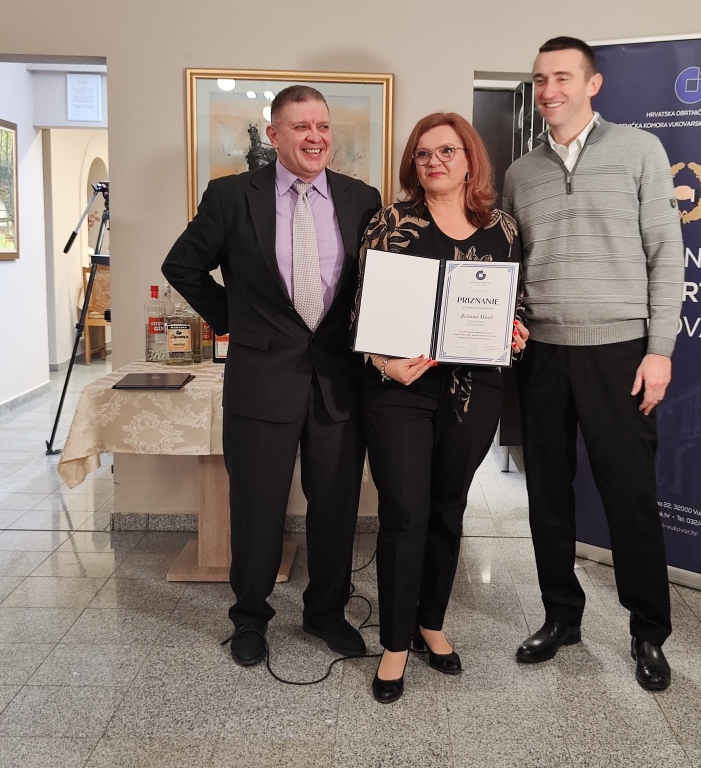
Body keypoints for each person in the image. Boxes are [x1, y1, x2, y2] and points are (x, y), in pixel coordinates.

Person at [162, 85, 381, 667]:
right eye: (301, 127)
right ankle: (250, 617)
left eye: (323, 126)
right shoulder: (232, 196)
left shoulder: (363, 199)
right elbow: (181, 264)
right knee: (257, 505)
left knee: (335, 504)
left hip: (338, 381)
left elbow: (376, 284)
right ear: (275, 135)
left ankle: (326, 612)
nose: (315, 137)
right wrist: (232, 319)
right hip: (261, 380)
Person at [502, 37, 684, 691]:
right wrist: (509, 317)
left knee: (629, 497)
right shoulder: (520, 173)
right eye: (540, 79)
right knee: (547, 497)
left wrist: (659, 350)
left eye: (562, 77)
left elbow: (666, 252)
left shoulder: (640, 151)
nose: (549, 90)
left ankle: (648, 632)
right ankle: (561, 617)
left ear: (592, 84)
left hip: (620, 352)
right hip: (544, 353)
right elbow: (512, 265)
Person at [355, 112, 528, 703]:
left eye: (447, 151)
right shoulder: (390, 221)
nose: (434, 161)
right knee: (405, 511)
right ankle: (395, 643)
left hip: (475, 391)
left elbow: (514, 302)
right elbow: (361, 308)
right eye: (423, 153)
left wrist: (515, 331)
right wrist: (383, 363)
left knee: (448, 508)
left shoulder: (502, 228)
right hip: (399, 390)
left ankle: (431, 622)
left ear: (469, 158)